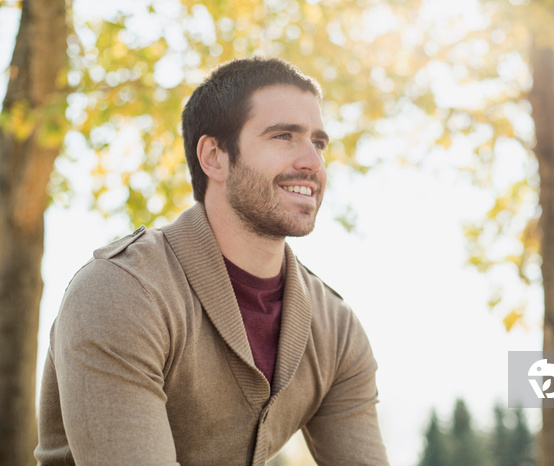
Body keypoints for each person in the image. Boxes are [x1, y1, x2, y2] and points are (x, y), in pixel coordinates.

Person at [35, 57, 389, 465]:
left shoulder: (336, 328)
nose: (312, 161)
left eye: (319, 142)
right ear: (214, 156)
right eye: (283, 136)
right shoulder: (121, 292)